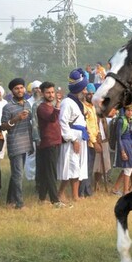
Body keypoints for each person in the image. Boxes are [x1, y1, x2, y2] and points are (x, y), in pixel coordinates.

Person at [1, 77, 34, 209]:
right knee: (18, 175)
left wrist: (31, 144)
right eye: (16, 89)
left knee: (16, 174)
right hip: (15, 144)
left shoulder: (27, 104)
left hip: (26, 142)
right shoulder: (7, 107)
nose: (20, 90)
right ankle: (19, 204)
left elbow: (30, 125)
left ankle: (10, 201)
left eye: (21, 88)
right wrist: (16, 118)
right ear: (12, 91)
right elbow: (3, 126)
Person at [57, 69, 89, 203]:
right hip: (72, 138)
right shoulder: (67, 102)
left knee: (77, 166)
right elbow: (63, 122)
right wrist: (73, 139)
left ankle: (75, 195)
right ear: (79, 89)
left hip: (80, 137)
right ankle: (61, 193)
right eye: (84, 89)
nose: (86, 92)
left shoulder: (78, 103)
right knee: (70, 166)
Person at [36, 82, 63, 206]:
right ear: (42, 93)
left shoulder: (50, 106)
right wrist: (57, 106)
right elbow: (52, 118)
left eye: (52, 92)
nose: (51, 95)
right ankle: (55, 200)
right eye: (48, 92)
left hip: (55, 142)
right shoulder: (42, 108)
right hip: (48, 143)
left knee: (47, 172)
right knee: (51, 173)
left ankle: (42, 198)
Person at [78, 83, 101, 197]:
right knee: (85, 167)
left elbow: (95, 124)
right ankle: (81, 192)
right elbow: (87, 126)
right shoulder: (83, 107)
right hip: (87, 142)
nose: (91, 96)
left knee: (90, 167)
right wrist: (94, 142)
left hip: (94, 140)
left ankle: (87, 190)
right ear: (85, 94)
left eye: (93, 93)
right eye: (89, 93)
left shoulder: (93, 107)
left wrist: (98, 134)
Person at [111, 106, 132, 196]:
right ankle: (125, 191)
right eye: (128, 110)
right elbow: (118, 137)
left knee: (128, 166)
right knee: (128, 166)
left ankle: (115, 188)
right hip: (123, 143)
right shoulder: (121, 120)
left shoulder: (131, 119)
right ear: (125, 111)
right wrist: (122, 151)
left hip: (129, 142)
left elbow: (128, 132)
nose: (130, 112)